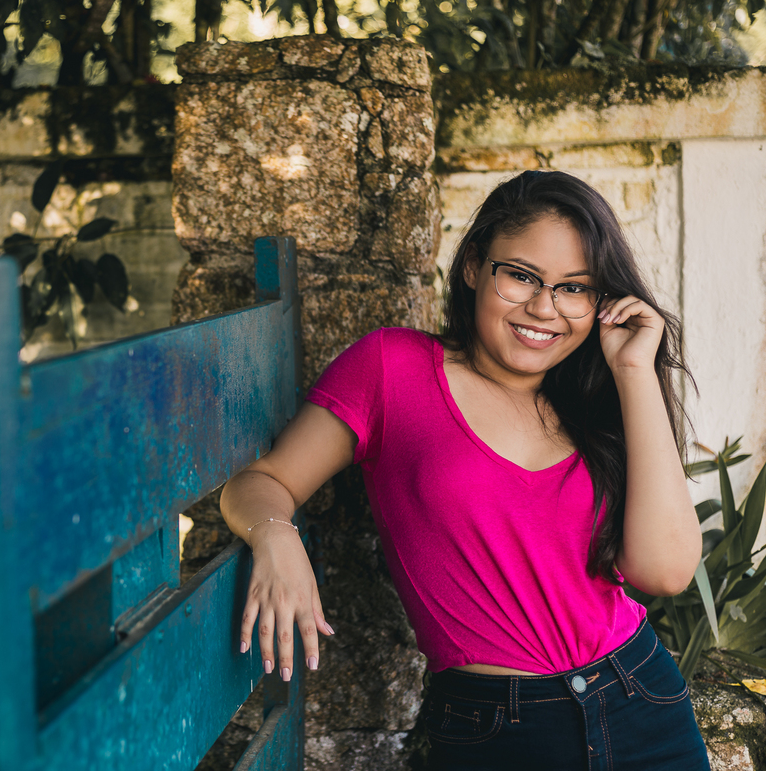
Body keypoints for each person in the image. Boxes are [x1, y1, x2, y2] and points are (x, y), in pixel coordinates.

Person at [219, 170, 709, 769]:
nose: (543, 307)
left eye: (574, 288)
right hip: (496, 727)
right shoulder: (391, 369)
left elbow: (664, 571)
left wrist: (635, 371)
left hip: (642, 700)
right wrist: (275, 534)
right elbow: (261, 482)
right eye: (521, 275)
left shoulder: (598, 400)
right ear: (475, 266)